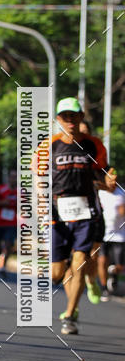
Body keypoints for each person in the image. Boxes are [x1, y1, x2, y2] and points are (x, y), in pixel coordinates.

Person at [34, 97, 117, 334]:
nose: (70, 121)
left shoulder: (94, 145)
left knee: (80, 262)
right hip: (57, 212)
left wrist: (108, 181)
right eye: (64, 117)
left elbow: (101, 175)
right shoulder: (48, 146)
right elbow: (38, 178)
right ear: (58, 120)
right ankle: (71, 284)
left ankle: (70, 315)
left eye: (74, 116)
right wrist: (41, 201)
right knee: (58, 273)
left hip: (86, 212)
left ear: (81, 117)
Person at [78, 119, 103, 305]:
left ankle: (91, 279)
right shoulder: (59, 149)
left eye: (85, 132)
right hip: (67, 211)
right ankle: (73, 309)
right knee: (75, 258)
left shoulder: (93, 151)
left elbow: (105, 178)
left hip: (92, 208)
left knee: (93, 252)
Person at [98, 186, 125, 298]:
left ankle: (113, 272)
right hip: (103, 234)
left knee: (120, 266)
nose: (111, 183)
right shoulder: (100, 193)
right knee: (102, 260)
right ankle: (104, 288)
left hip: (119, 235)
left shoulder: (122, 193)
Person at [0, 170, 18, 272]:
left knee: (9, 243)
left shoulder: (21, 192)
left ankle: (4, 264)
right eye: (12, 177)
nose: (14, 179)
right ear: (9, 178)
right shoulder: (0, 189)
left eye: (16, 177)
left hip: (12, 222)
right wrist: (2, 203)